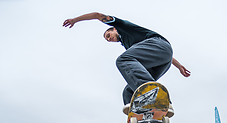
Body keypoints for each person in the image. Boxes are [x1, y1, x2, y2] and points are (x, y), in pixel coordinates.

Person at [63, 12, 191, 116]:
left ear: (114, 29)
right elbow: (162, 54)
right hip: (162, 59)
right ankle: (142, 114)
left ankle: (155, 96)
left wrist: (75, 20)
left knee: (122, 60)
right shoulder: (130, 47)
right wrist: (179, 66)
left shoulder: (121, 26)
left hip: (160, 46)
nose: (109, 39)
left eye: (109, 35)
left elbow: (97, 15)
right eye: (107, 39)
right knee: (128, 91)